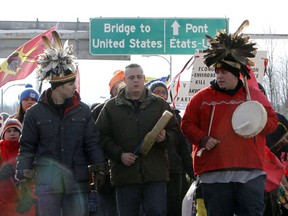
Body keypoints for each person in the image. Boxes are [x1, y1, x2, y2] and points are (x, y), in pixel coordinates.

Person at [181, 20, 279, 216]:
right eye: (217, 72)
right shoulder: (202, 98)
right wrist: (203, 138)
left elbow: (272, 123)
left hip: (250, 171)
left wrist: (256, 124)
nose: (219, 76)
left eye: (224, 72)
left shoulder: (254, 96)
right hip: (213, 172)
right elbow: (186, 124)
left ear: (236, 74)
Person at [15, 30, 107, 216]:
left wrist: (99, 168)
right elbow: (27, 147)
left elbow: (92, 142)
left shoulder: (83, 110)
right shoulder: (35, 113)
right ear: (58, 86)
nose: (75, 87)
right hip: (48, 185)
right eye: (71, 84)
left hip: (77, 182)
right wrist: (22, 174)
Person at [96, 63, 180, 216]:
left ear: (143, 79)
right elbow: (100, 136)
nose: (136, 81)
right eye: (132, 77)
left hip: (155, 174)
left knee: (157, 212)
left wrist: (165, 138)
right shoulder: (111, 107)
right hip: (125, 175)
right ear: (125, 80)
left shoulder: (160, 104)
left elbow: (175, 131)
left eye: (139, 77)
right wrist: (119, 154)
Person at [147, 80, 194, 216]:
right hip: (152, 172)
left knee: (173, 206)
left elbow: (183, 146)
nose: (160, 95)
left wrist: (191, 172)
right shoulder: (143, 114)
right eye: (156, 92)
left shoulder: (175, 116)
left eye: (163, 92)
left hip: (173, 170)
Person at [90, 69, 125, 216]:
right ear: (112, 90)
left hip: (132, 175)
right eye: (118, 84)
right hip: (106, 176)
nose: (122, 87)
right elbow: (94, 141)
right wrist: (99, 169)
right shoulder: (99, 111)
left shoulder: (142, 109)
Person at [258, 82, 288, 216]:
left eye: (259, 95)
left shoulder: (278, 120)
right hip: (253, 176)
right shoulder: (238, 122)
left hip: (278, 175)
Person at [0, 118, 35, 215]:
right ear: (3, 134)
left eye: (16, 130)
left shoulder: (27, 150)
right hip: (3, 198)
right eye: (9, 131)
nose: (12, 133)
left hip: (23, 196)